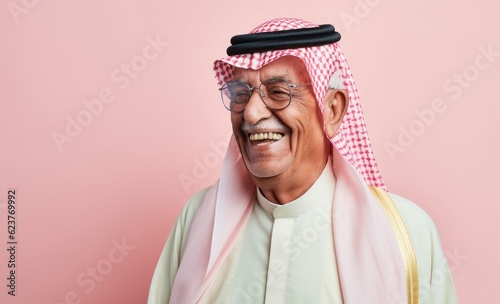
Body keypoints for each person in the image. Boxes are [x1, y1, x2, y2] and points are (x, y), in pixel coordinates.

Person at [147, 18, 458, 303]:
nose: (252, 113)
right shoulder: (198, 218)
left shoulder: (406, 229)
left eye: (279, 92)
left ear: (332, 110)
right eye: (241, 94)